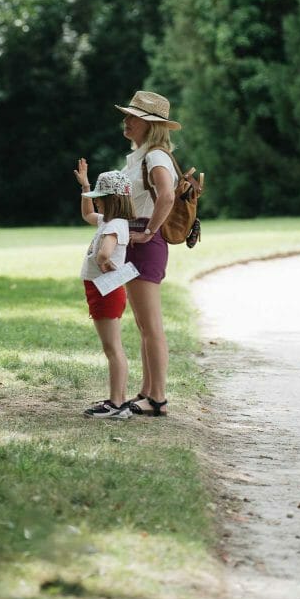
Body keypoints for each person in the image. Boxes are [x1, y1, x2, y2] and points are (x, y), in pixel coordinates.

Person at [116, 90, 181, 417]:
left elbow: (166, 197)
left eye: (132, 118)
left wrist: (149, 232)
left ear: (149, 124)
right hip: (135, 239)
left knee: (151, 325)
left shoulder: (155, 156)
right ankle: (147, 392)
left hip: (145, 242)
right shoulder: (143, 156)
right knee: (144, 324)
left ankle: (158, 398)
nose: (125, 121)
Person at [73, 165, 135, 418]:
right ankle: (117, 400)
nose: (95, 203)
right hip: (102, 290)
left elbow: (104, 253)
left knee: (113, 348)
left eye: (99, 199)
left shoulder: (114, 226)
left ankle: (117, 404)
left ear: (113, 200)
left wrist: (103, 261)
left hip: (105, 291)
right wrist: (85, 188)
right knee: (113, 347)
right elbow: (87, 214)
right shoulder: (109, 221)